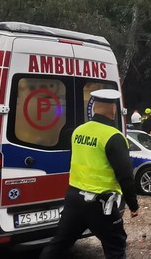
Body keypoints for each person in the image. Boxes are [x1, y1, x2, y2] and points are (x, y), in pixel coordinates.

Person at [39, 89, 138, 259]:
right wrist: (133, 204)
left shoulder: (78, 131)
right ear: (113, 109)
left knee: (59, 243)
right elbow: (125, 175)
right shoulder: (114, 136)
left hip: (74, 199)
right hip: (99, 203)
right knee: (116, 245)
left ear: (94, 107)